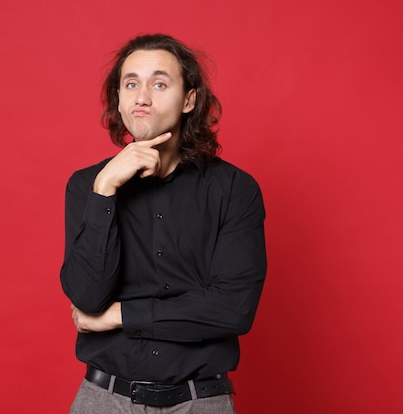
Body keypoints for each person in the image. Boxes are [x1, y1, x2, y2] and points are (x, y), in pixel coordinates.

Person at [60, 33, 267, 413]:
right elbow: (87, 297)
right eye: (131, 83)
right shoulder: (87, 186)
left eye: (159, 83)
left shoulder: (235, 190)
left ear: (189, 99)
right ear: (119, 100)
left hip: (200, 402)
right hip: (105, 401)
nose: (142, 97)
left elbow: (233, 308)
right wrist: (105, 189)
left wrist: (120, 316)